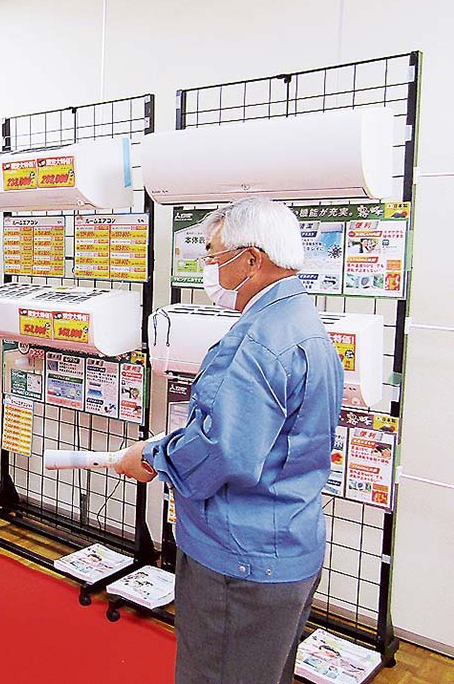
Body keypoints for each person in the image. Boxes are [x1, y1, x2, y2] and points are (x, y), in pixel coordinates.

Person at [113, 197, 344, 684]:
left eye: (215, 257)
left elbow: (223, 451)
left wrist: (154, 455)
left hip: (239, 558)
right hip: (291, 543)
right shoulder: (309, 327)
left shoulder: (256, 342)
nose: (210, 270)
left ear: (252, 260)